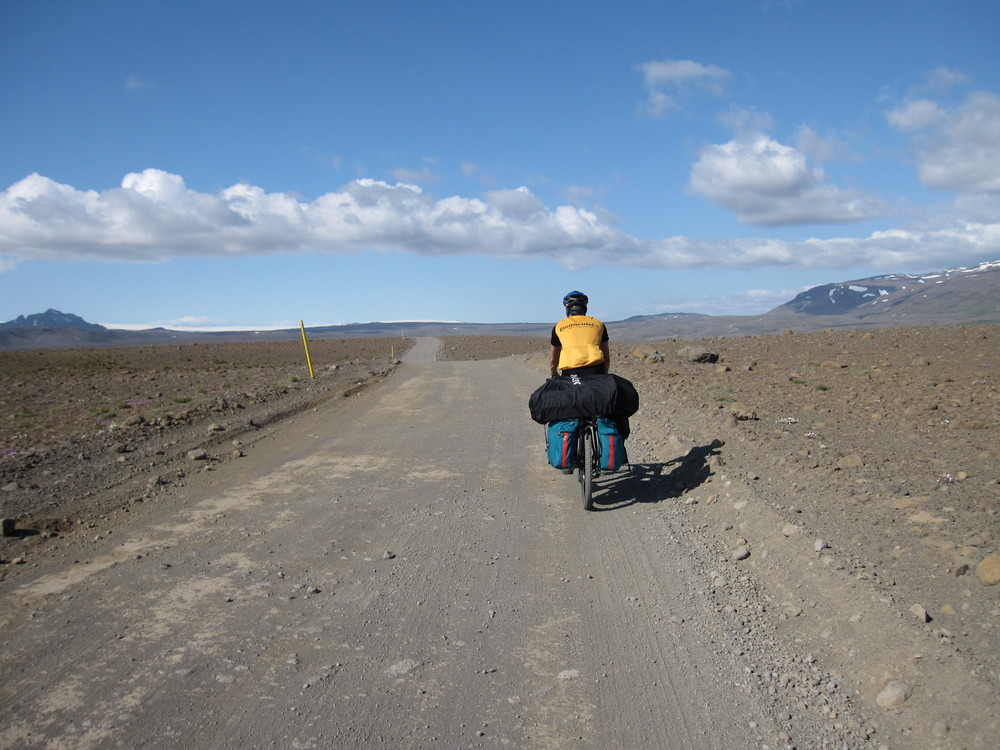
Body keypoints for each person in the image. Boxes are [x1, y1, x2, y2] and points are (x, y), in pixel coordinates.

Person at [549, 291, 610, 377]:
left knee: (569, 390)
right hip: (596, 368)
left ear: (567, 309)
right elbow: (606, 357)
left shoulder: (559, 326)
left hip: (570, 370)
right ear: (584, 308)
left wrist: (553, 372)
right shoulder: (598, 324)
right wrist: (604, 374)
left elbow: (553, 359)